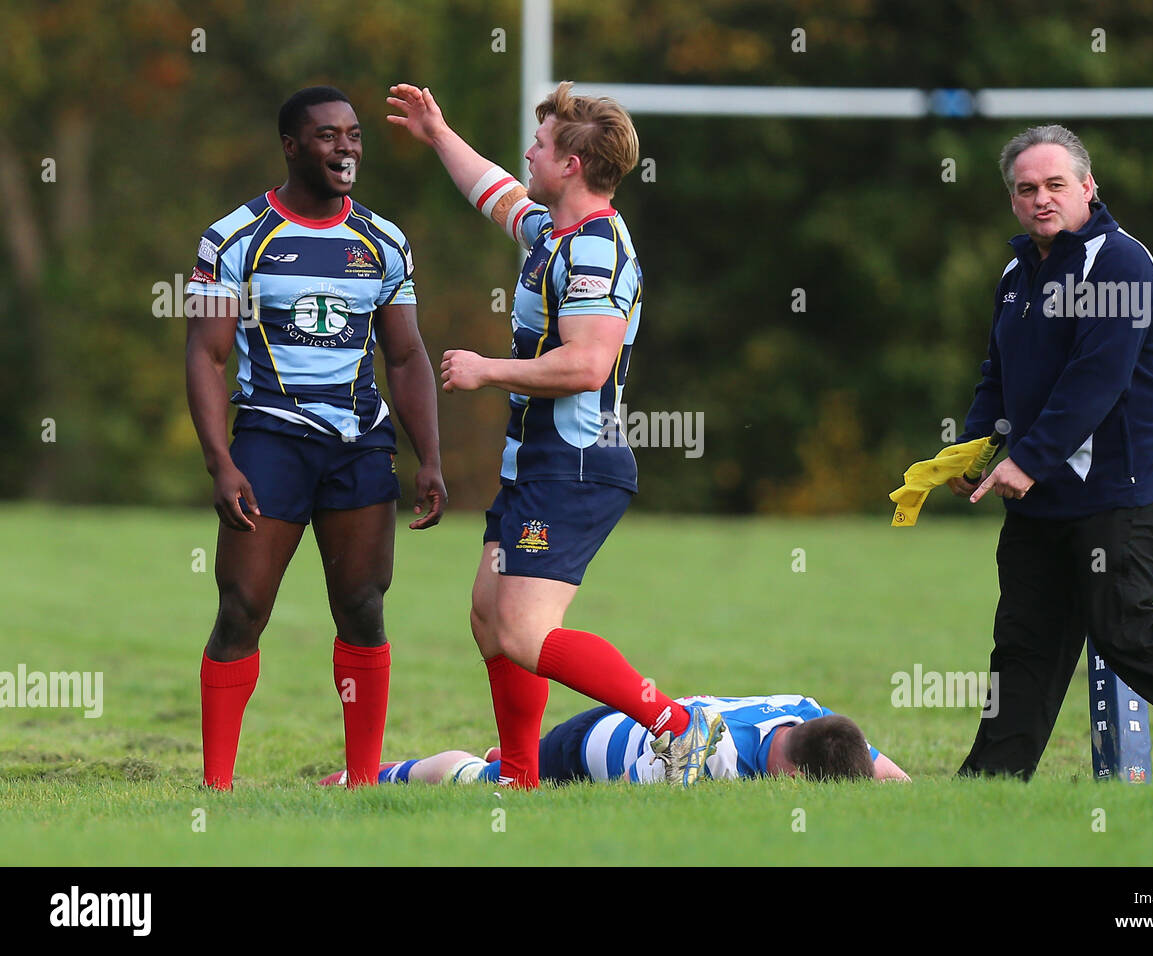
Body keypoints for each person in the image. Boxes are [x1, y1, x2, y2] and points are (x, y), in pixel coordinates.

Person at [384, 81, 725, 788]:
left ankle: (676, 725)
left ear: (571, 164)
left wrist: (486, 369)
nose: (528, 154)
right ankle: (520, 776)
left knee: (523, 632)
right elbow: (498, 193)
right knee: (488, 617)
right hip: (537, 464)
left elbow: (588, 362)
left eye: (540, 145)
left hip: (575, 465)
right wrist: (437, 132)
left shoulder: (596, 246)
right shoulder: (554, 231)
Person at [949, 124, 1153, 787]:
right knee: (1023, 642)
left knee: (1123, 628)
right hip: (1037, 496)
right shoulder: (1018, 274)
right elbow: (997, 377)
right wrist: (976, 451)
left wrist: (1029, 459)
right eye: (1026, 188)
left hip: (1115, 496)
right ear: (1012, 200)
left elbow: (1095, 382)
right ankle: (991, 782)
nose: (1041, 198)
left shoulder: (1122, 263)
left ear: (1087, 187)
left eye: (1055, 184)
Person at [185, 86, 447, 790]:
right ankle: (217, 788)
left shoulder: (383, 240)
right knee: (241, 607)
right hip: (271, 438)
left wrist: (430, 458)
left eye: (355, 134)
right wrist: (221, 462)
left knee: (363, 605)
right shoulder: (233, 237)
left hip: (360, 441)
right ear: (292, 147)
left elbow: (406, 357)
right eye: (329, 136)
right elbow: (207, 357)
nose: (347, 148)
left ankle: (363, 783)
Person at [319, 694, 911, 787]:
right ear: (797, 776)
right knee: (491, 784)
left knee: (521, 763)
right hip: (591, 743)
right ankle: (368, 776)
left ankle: (519, 752)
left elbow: (890, 776)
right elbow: (625, 796)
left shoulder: (807, 712)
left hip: (632, 717)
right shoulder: (715, 761)